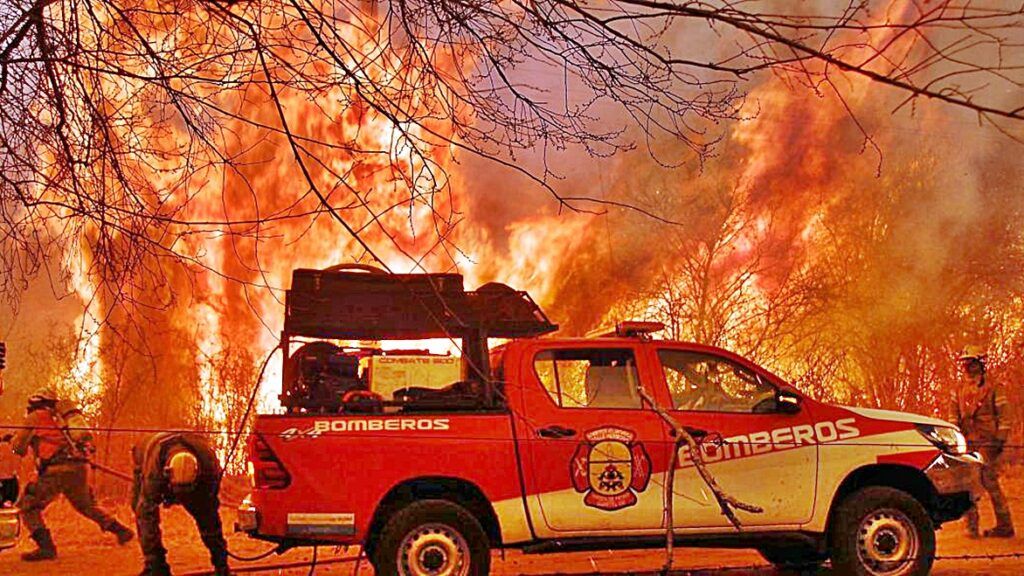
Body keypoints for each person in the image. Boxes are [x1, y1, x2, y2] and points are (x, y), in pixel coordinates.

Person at [11, 387, 134, 561]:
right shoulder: (62, 419)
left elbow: (18, 448)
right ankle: (121, 531)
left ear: (34, 403)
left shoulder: (34, 417)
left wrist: (15, 440)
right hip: (79, 468)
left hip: (57, 470)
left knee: (28, 506)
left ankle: (46, 548)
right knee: (86, 506)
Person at [132, 432, 229, 576]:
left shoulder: (209, 466)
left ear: (198, 473)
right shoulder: (155, 469)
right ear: (167, 473)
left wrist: (221, 564)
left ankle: (222, 567)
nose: (182, 497)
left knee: (208, 518)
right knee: (142, 512)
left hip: (199, 478)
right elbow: (147, 513)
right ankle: (155, 566)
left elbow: (210, 512)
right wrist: (155, 562)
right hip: (148, 456)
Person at [954, 346, 1015, 538]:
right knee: (967, 483)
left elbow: (1006, 416)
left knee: (989, 481)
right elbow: (952, 417)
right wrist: (954, 439)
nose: (966, 367)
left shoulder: (995, 387)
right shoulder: (959, 390)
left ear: (979, 364)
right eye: (964, 363)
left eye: (970, 362)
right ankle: (971, 527)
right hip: (966, 442)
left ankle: (1005, 526)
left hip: (988, 442)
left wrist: (1000, 439)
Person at [0, 434, 18, 506]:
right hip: (10, 477)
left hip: (3, 477)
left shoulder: (3, 447)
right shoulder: (12, 449)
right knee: (8, 499)